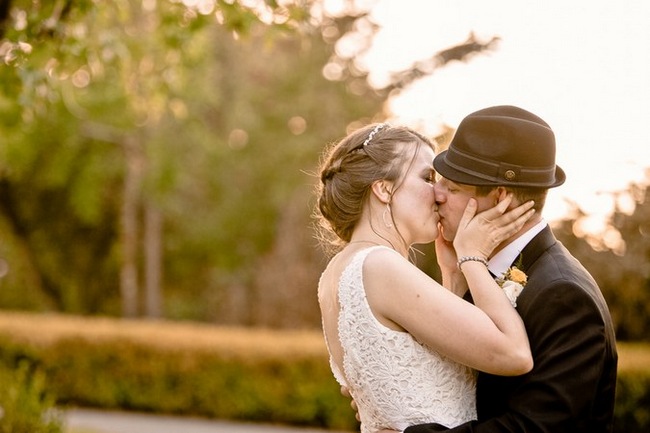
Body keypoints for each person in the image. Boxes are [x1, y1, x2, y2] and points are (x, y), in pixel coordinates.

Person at [379, 105, 618, 433]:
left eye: (453, 187)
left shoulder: (563, 294)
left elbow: (534, 428)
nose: (437, 196)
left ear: (501, 197)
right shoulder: (477, 271)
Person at [315, 123, 537, 433]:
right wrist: (472, 258)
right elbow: (514, 354)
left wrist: (452, 277)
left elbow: (413, 370)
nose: (440, 193)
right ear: (384, 189)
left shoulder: (336, 273)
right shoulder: (381, 267)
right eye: (427, 177)